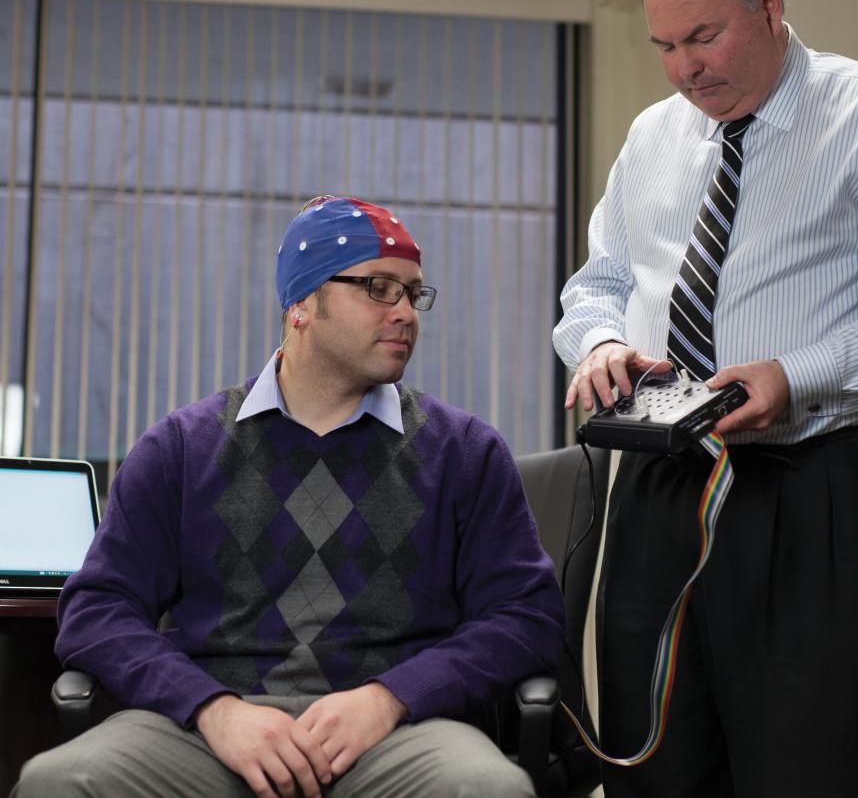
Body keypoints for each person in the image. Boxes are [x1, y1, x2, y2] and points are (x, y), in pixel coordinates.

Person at [554, 0, 858, 797]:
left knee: (800, 771)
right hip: (660, 491)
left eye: (703, 37)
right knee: (655, 771)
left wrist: (801, 372)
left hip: (811, 488)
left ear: (771, 6)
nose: (683, 69)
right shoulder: (652, 139)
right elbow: (597, 282)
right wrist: (598, 344)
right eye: (664, 47)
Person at [16, 195, 564, 798]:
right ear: (302, 303)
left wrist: (390, 699)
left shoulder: (464, 451)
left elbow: (526, 618)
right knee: (58, 782)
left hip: (395, 738)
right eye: (379, 288)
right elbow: (96, 611)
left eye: (413, 293)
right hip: (210, 736)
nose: (406, 312)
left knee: (488, 788)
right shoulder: (181, 447)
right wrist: (212, 710)